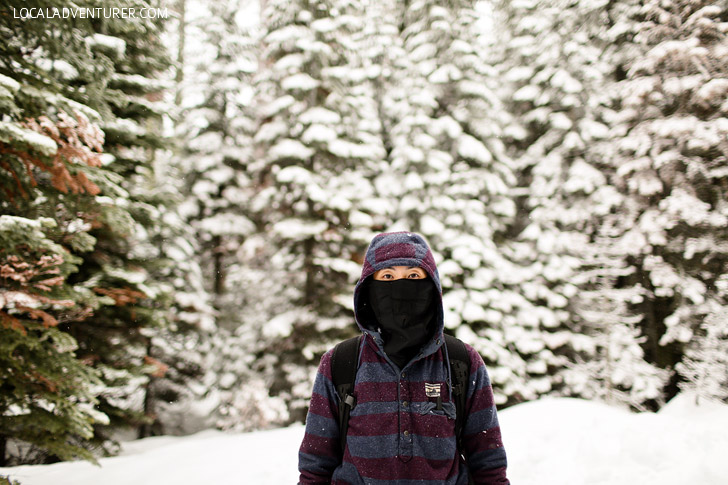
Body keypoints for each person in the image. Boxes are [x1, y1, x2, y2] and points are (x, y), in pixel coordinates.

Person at [298, 231, 510, 484]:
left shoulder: (461, 362)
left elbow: (488, 463)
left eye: (413, 276)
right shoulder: (340, 363)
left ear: (431, 286)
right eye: (387, 276)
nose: (400, 287)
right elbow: (315, 465)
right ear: (369, 289)